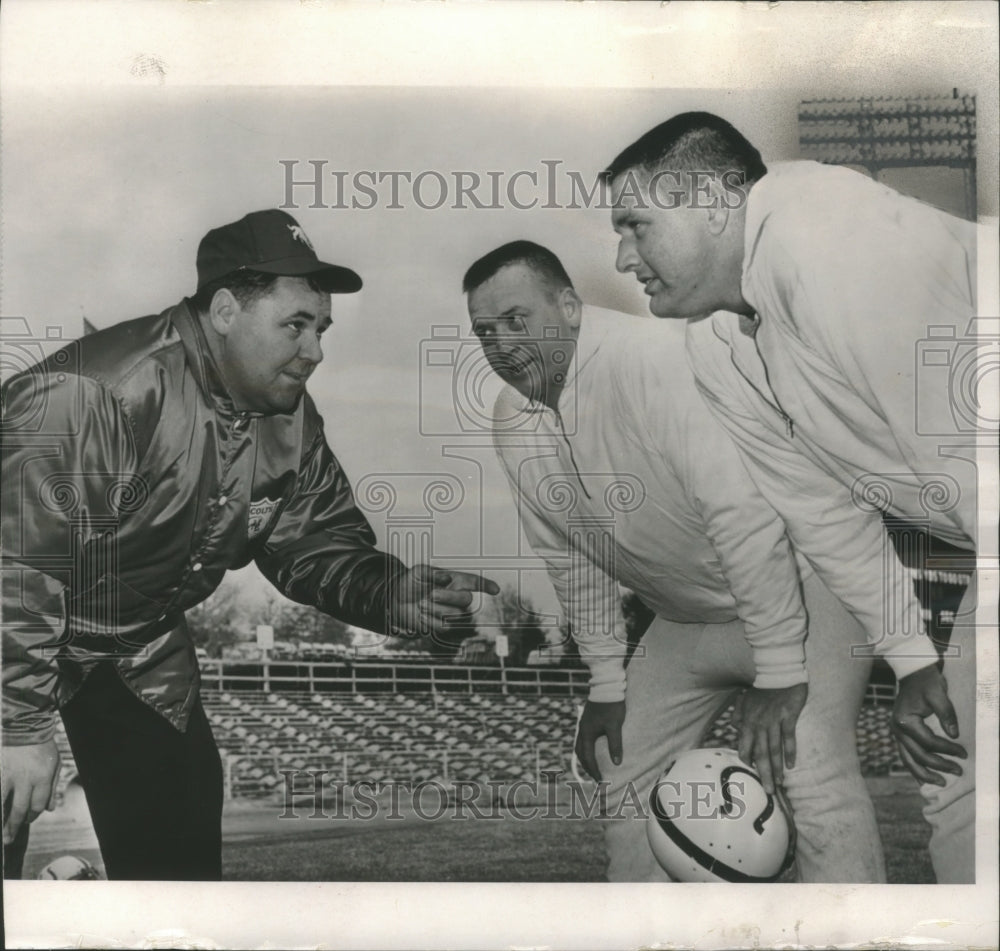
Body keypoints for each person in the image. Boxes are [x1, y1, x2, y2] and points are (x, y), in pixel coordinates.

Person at [1, 209, 499, 880]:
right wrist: (16, 724)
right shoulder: (95, 390)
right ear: (226, 308)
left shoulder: (287, 414)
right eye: (295, 324)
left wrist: (389, 591)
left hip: (134, 644)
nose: (315, 350)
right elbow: (20, 563)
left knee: (177, 863)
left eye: (321, 329)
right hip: (12, 628)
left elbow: (313, 537)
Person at [602, 112, 983, 883]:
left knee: (977, 790)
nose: (623, 255)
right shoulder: (718, 343)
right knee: (960, 781)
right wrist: (912, 661)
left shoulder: (835, 243)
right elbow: (824, 512)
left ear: (712, 200)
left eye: (637, 225)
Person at [464, 239, 889, 883]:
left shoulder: (655, 361)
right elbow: (570, 559)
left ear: (572, 308)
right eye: (484, 330)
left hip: (808, 581)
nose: (500, 344)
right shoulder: (512, 419)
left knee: (810, 767)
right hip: (687, 615)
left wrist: (779, 670)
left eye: (516, 320)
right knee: (622, 763)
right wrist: (607, 684)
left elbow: (742, 513)